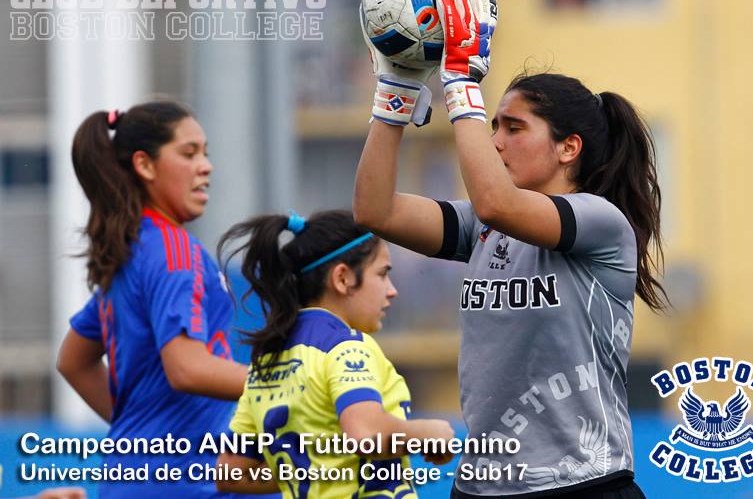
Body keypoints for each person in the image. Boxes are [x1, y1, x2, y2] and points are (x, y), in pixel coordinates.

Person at [354, 0, 665, 498]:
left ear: (568, 149)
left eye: (513, 128)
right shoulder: (484, 225)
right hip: (483, 486)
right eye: (492, 125)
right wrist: (396, 92)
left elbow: (497, 201)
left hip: (582, 484)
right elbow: (374, 209)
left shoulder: (599, 220)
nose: (494, 140)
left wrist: (460, 85)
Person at [57, 101, 249, 498]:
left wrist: (140, 432)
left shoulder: (135, 251)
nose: (206, 166)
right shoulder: (173, 252)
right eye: (189, 153)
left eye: (206, 153)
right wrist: (291, 385)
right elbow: (187, 369)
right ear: (144, 165)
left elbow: (72, 361)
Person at [214, 210, 455, 497]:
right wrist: (429, 433)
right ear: (342, 278)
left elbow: (232, 473)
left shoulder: (265, 361)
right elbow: (366, 433)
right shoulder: (346, 346)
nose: (392, 291)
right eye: (382, 274)